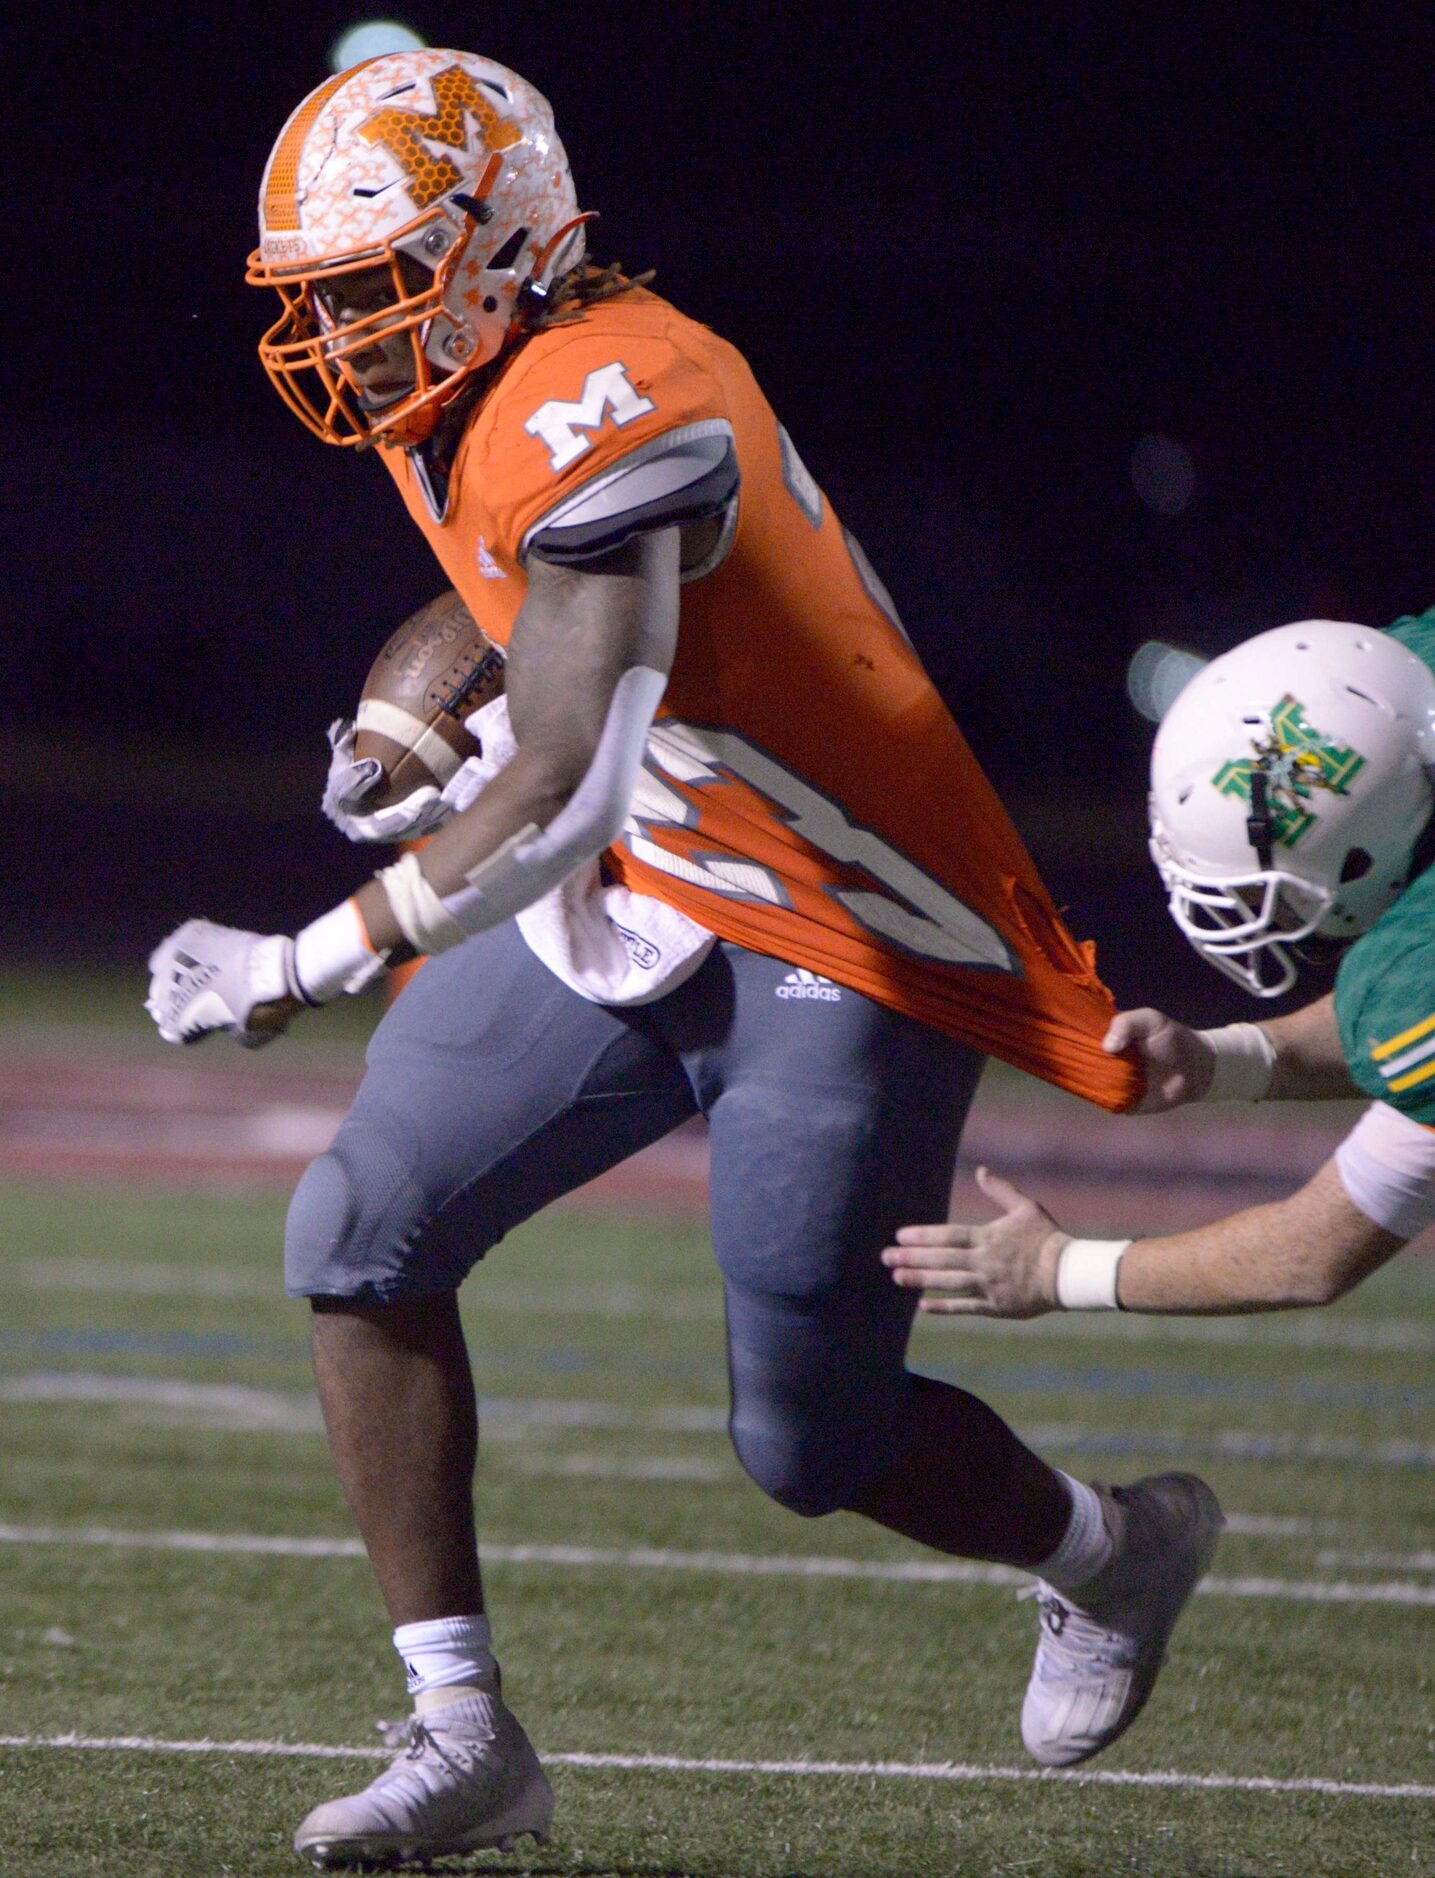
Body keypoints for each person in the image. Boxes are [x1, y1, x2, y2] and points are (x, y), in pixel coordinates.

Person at [145, 49, 1222, 1868]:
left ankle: (1112, 1549)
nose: (349, 332)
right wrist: (426, 694)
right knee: (354, 1229)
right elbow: (523, 586)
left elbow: (558, 783)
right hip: (652, 874)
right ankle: (464, 1729)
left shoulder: (626, 394)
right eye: (327, 296)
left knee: (808, 1436)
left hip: (832, 913)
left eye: (378, 282)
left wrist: (305, 957)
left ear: (502, 242)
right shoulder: (488, 384)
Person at [884, 615, 1435, 1320]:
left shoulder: (1411, 976)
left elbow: (1310, 1253)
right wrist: (1218, 1060)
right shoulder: (1406, 681)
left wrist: (1055, 1269)